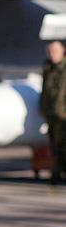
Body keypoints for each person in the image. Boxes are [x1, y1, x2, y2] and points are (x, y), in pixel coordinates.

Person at [40, 40, 66, 184]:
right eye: (50, 51)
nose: (53, 54)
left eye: (55, 51)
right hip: (52, 114)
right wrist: (43, 108)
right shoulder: (48, 68)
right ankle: (56, 174)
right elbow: (46, 91)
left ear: (63, 51)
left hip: (63, 114)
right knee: (55, 145)